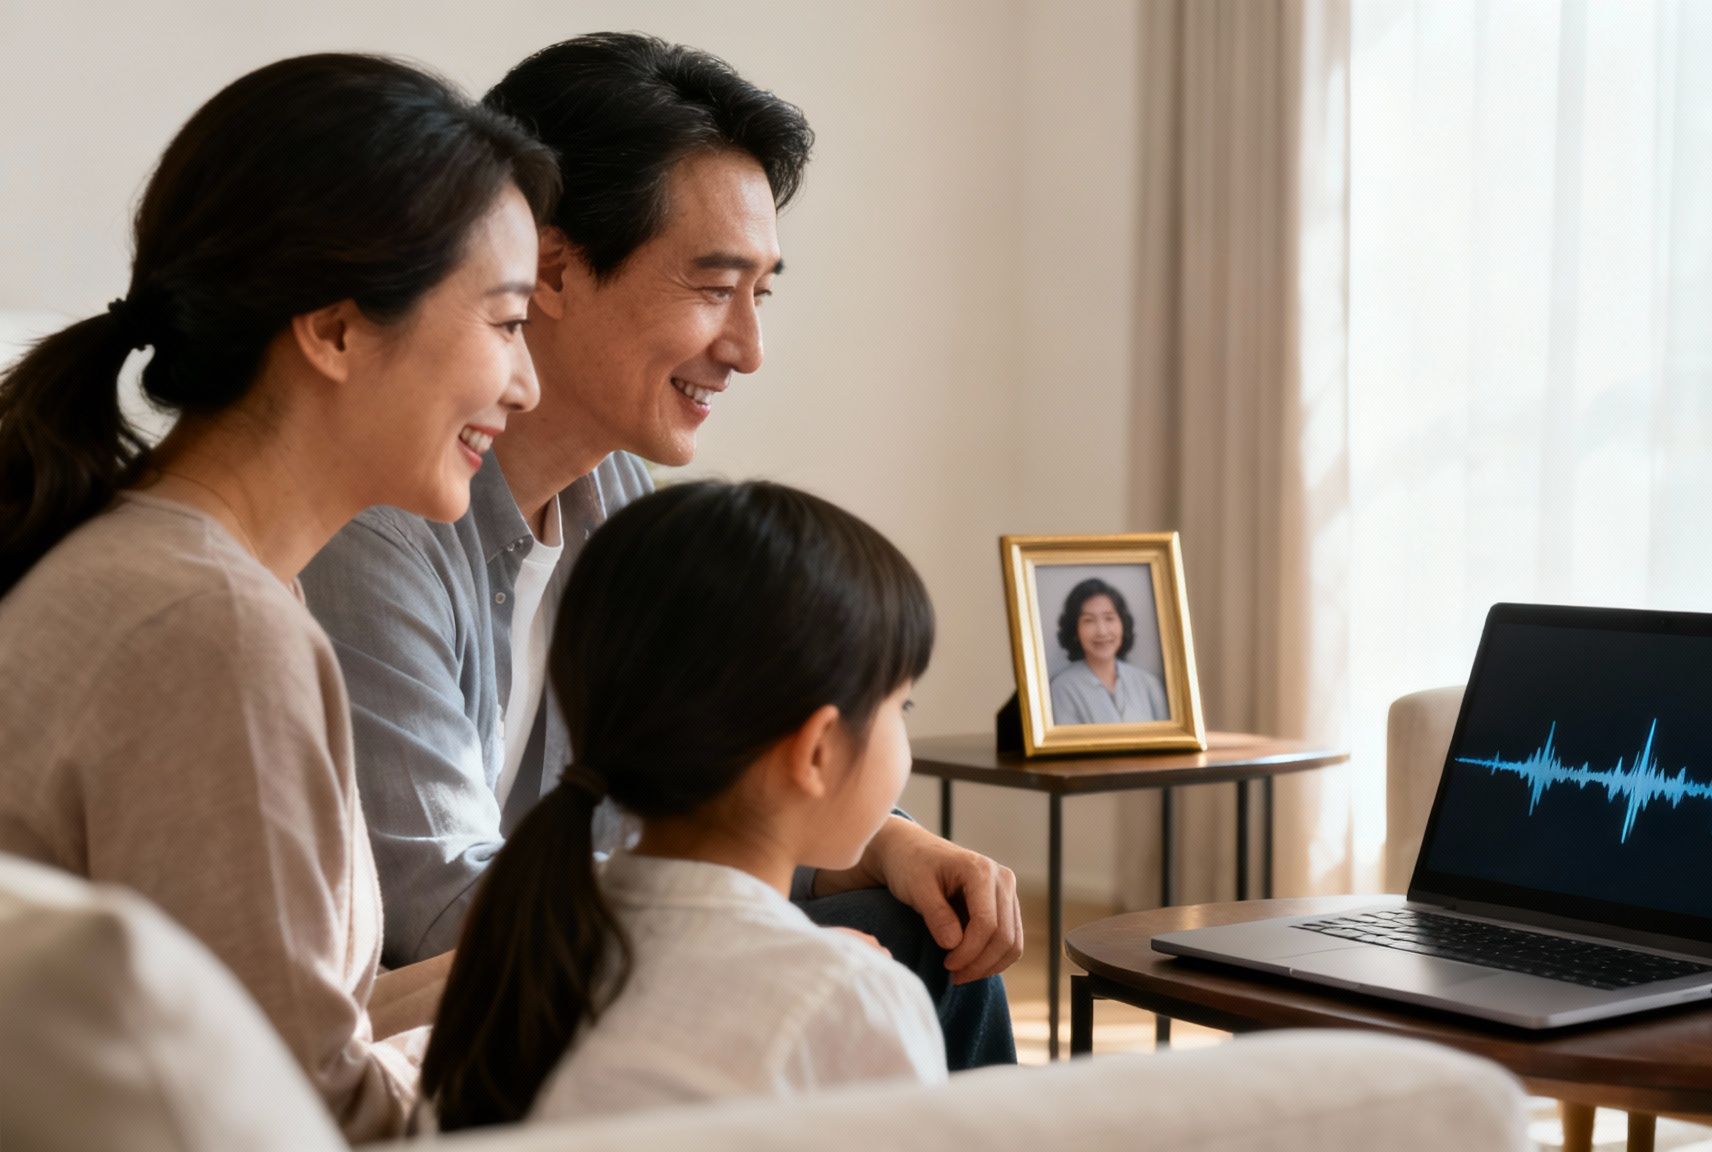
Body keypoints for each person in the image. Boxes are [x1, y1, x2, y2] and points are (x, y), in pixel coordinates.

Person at [301, 33, 1020, 1068]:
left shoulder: (612, 498)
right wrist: (773, 946)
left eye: (759, 293)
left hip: (563, 961)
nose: (747, 347)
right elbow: (445, 909)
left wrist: (893, 843)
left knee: (929, 934)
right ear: (551, 267)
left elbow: (702, 792)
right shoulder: (378, 519)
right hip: (441, 1021)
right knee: (876, 965)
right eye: (711, 286)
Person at [0, 55, 557, 1140]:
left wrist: (581, 950)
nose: (525, 384)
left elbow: (298, 1025)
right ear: (336, 328)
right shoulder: (208, 629)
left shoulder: (189, 575)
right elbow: (312, 1109)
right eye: (504, 323)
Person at [422, 480, 947, 1128]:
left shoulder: (525, 944)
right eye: (903, 706)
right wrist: (836, 983)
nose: (905, 730)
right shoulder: (852, 1002)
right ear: (816, 751)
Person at [1048, 578, 1171, 725]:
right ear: (1075, 630)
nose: (1102, 631)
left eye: (1109, 618)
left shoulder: (1149, 683)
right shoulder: (1062, 688)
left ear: (1123, 624)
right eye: (1089, 620)